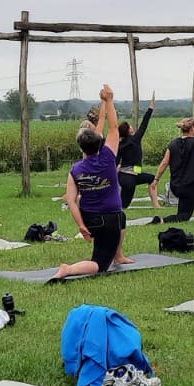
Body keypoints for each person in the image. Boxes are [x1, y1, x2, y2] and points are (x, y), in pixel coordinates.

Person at [52, 85, 127, 280]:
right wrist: (109, 100)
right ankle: (67, 269)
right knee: (100, 265)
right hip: (110, 218)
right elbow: (113, 128)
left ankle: (118, 255)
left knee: (102, 248)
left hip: (90, 218)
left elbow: (70, 201)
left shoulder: (75, 169)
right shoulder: (108, 158)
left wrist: (81, 226)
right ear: (99, 142)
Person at [115, 93, 160, 211]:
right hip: (131, 178)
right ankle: (156, 205)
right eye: (130, 127)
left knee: (151, 178)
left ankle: (156, 206)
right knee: (123, 206)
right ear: (129, 131)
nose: (132, 127)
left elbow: (115, 162)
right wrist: (151, 107)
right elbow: (144, 124)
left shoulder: (120, 144)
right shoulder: (135, 139)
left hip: (123, 175)